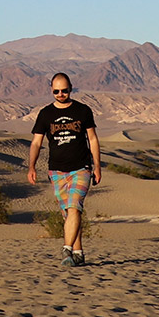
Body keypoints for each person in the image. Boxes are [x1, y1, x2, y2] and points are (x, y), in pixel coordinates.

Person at [27, 73, 102, 267]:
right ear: (51, 90)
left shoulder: (83, 111)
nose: (61, 94)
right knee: (68, 214)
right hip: (57, 171)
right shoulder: (45, 114)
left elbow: (92, 139)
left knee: (74, 206)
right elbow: (36, 142)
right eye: (56, 91)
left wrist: (98, 166)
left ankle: (66, 249)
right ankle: (77, 253)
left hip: (81, 168)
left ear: (71, 88)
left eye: (64, 90)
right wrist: (32, 166)